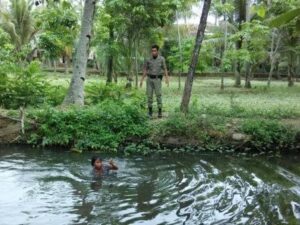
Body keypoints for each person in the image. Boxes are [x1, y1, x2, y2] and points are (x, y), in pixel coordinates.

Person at [140, 44, 169, 118]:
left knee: (158, 95)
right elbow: (145, 70)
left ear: (157, 51)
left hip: (157, 79)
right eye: (152, 51)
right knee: (149, 96)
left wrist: (167, 78)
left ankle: (160, 112)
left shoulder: (162, 59)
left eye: (155, 51)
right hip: (149, 79)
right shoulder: (148, 59)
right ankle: (150, 112)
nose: (153, 52)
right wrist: (142, 80)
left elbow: (165, 68)